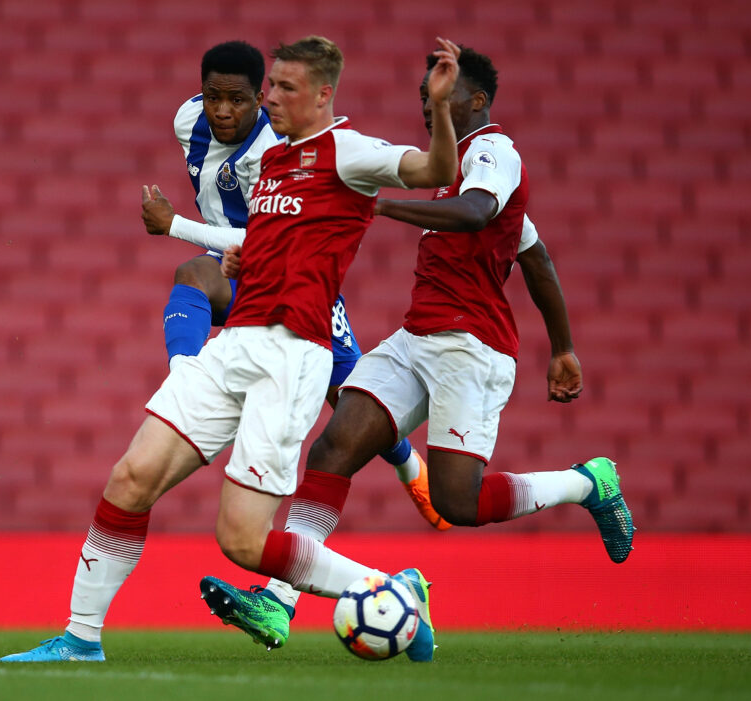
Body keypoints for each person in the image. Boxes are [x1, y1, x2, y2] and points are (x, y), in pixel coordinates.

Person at [0, 35, 462, 664]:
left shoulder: (349, 152)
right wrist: (248, 253)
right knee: (130, 478)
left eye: (284, 88)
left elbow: (436, 174)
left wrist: (440, 112)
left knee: (241, 541)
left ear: (324, 95)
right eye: (270, 85)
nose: (269, 96)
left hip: (291, 353)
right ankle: (80, 640)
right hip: (235, 342)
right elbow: (262, 240)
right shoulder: (271, 163)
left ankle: (388, 589)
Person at [202, 45, 636, 660]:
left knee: (459, 502)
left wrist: (375, 204)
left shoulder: (493, 154)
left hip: (473, 347)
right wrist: (563, 346)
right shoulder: (454, 167)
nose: (429, 110)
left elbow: (478, 212)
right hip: (416, 339)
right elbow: (533, 254)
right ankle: (279, 599)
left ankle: (585, 482)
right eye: (422, 101)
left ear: (477, 101)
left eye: (445, 98)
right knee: (334, 447)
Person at [145, 40, 448, 533]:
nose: (223, 111)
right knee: (192, 276)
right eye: (213, 97)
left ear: (259, 97)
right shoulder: (187, 121)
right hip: (235, 269)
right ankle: (184, 374)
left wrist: (173, 224)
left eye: (238, 100)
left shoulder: (273, 147)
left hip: (293, 279)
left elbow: (258, 232)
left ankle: (410, 466)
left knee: (349, 400)